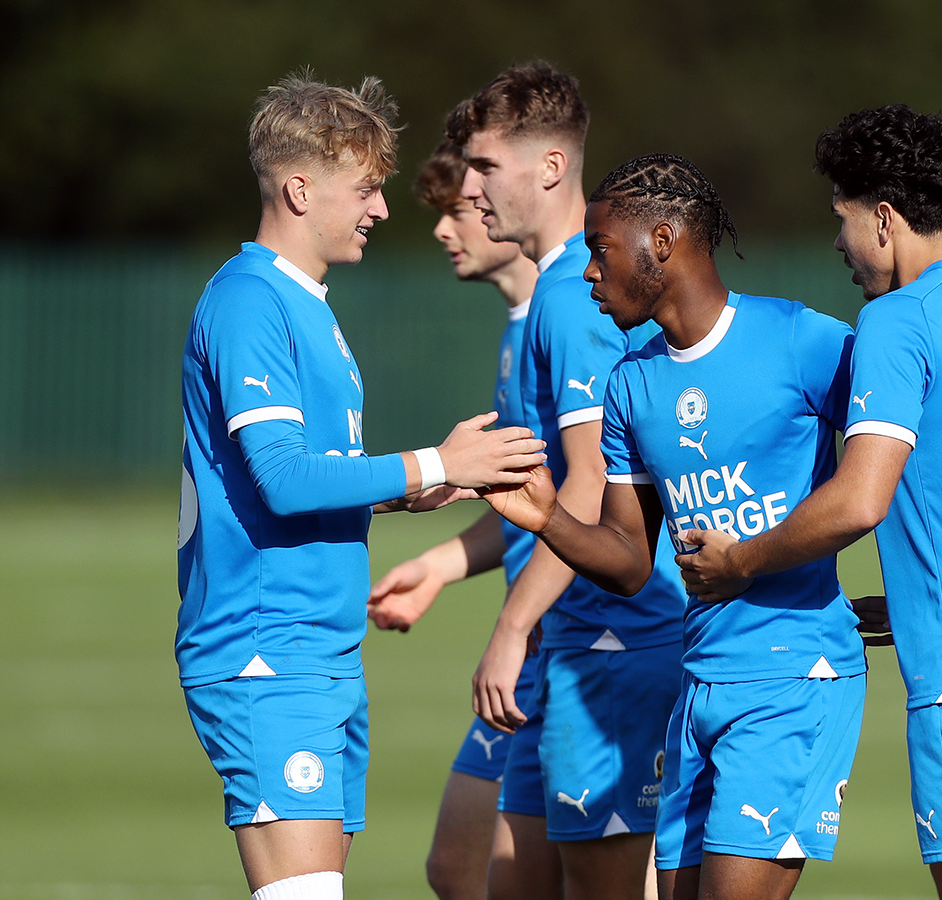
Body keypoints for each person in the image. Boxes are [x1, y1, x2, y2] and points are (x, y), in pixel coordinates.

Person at [677, 106, 942, 900]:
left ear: (883, 217)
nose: (838, 244)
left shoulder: (898, 320)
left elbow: (858, 500)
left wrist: (740, 562)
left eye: (841, 221)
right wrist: (932, 585)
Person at [176, 74, 545, 900]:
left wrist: (408, 494)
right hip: (266, 652)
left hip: (322, 650)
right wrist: (440, 464)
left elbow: (311, 478)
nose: (380, 210)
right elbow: (280, 478)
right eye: (367, 188)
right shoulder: (250, 302)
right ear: (299, 188)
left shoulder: (308, 306)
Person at [482, 152, 869, 900]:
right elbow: (630, 560)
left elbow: (890, 458)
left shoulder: (803, 341)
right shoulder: (629, 383)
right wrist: (548, 517)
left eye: (599, 249)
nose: (589, 272)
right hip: (698, 685)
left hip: (793, 678)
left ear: (661, 241)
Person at [449, 62, 686, 900]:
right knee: (499, 885)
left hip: (610, 644)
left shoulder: (574, 296)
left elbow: (588, 486)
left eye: (484, 169)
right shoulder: (555, 291)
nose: (469, 192)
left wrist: (513, 627)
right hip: (575, 642)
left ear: (550, 168)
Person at [365, 136, 556, 900]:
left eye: (458, 212)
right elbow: (534, 502)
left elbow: (586, 504)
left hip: (578, 642)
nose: (444, 231)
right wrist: (441, 565)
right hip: (538, 639)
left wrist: (516, 625)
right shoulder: (520, 327)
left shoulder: (567, 318)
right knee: (458, 866)